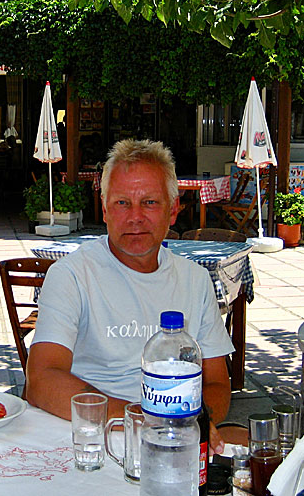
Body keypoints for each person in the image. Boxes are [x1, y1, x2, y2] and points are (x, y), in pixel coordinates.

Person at [26, 139, 233, 451]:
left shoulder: (196, 280)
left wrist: (193, 423)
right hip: (93, 438)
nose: (135, 217)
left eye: (150, 202)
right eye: (122, 203)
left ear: (174, 210)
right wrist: (143, 420)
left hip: (179, 436)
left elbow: (217, 382)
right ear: (105, 209)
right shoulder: (71, 275)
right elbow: (41, 380)